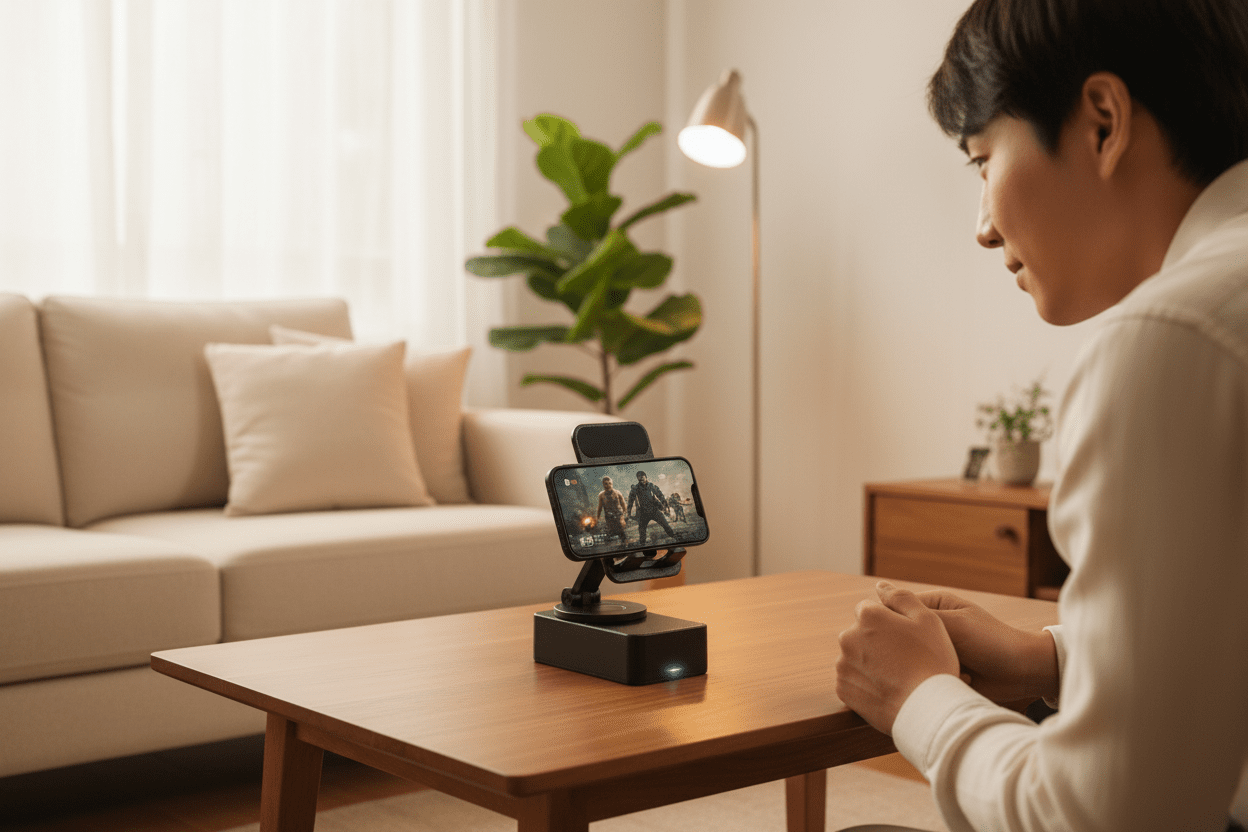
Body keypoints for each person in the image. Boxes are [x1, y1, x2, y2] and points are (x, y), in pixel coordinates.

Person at [834, 1, 1248, 830]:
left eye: (984, 160)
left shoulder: (1175, 340)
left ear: (1102, 120)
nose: (984, 228)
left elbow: (1107, 816)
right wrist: (1054, 655)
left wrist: (921, 698)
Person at [626, 470, 674, 547]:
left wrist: (665, 507)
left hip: (654, 510)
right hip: (643, 513)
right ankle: (643, 546)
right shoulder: (635, 488)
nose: (640, 478)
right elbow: (630, 501)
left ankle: (674, 537)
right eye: (639, 477)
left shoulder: (652, 486)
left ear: (646, 477)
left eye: (642, 477)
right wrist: (628, 513)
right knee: (642, 531)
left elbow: (661, 496)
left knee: (666, 525)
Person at [596, 476, 627, 546]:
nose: (608, 485)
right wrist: (597, 518)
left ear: (612, 484)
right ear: (603, 485)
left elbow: (623, 504)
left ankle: (624, 544)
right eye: (606, 484)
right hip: (609, 517)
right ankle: (612, 547)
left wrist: (625, 513)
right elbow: (600, 508)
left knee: (621, 531)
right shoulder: (601, 495)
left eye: (609, 483)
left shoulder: (617, 493)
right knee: (611, 532)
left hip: (619, 515)